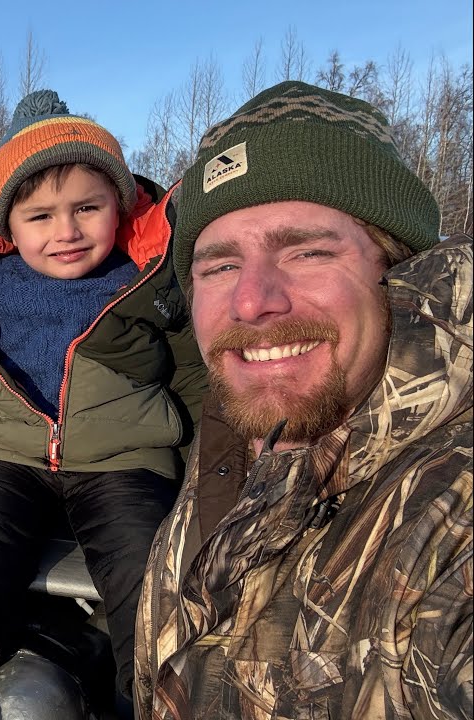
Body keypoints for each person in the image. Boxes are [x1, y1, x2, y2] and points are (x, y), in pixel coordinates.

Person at [133, 80, 473, 720]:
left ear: (396, 271)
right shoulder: (239, 424)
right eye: (219, 266)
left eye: (309, 252)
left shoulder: (449, 511)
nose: (252, 300)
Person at [0, 89, 206, 720]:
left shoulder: (147, 278)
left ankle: (155, 702)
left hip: (125, 460)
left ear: (120, 207)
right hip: (2, 456)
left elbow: (193, 376)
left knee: (154, 563)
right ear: (6, 223)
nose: (67, 232)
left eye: (87, 208)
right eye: (41, 216)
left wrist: (211, 467)